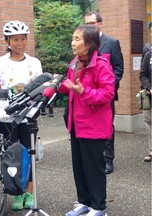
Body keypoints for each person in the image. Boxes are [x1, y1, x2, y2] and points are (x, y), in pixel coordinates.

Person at [0, 20, 43, 211]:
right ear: (7, 41)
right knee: (12, 155)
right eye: (15, 39)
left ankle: (29, 192)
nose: (20, 43)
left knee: (28, 153)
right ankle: (17, 193)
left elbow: (41, 89)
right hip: (7, 118)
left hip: (29, 116)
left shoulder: (34, 63)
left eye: (23, 39)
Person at [58, 25, 114, 216]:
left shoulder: (101, 65)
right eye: (72, 38)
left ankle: (99, 207)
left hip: (94, 126)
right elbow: (72, 88)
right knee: (79, 166)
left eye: (77, 39)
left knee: (94, 168)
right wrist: (62, 87)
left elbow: (108, 94)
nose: (73, 43)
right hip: (76, 124)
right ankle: (84, 202)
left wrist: (84, 91)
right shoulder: (76, 62)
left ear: (89, 43)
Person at [84, 11, 124, 174]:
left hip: (105, 96)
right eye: (86, 24)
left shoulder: (112, 43)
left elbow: (118, 68)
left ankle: (108, 159)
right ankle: (94, 158)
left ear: (100, 24)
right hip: (87, 94)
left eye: (92, 23)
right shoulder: (84, 44)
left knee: (107, 126)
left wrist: (107, 88)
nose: (89, 27)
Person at [139, 32, 152, 162]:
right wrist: (149, 88)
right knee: (149, 123)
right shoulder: (148, 53)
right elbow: (143, 74)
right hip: (149, 96)